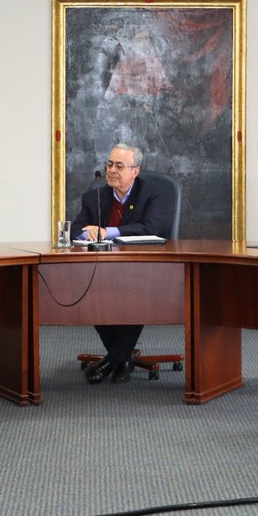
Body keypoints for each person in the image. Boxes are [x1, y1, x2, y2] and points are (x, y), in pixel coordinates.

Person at [71, 142, 173, 384]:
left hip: (143, 270)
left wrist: (107, 231)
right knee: (87, 294)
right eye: (109, 164)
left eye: (119, 165)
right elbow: (76, 229)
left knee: (137, 296)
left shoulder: (152, 192)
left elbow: (151, 228)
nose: (112, 170)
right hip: (104, 270)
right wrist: (90, 234)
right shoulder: (94, 196)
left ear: (135, 171)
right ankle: (121, 358)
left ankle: (113, 360)